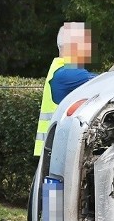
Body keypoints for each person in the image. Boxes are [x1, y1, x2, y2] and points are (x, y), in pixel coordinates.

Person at [34, 22, 97, 156]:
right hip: (57, 149)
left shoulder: (57, 69)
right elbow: (109, 82)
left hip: (51, 148)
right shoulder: (68, 73)